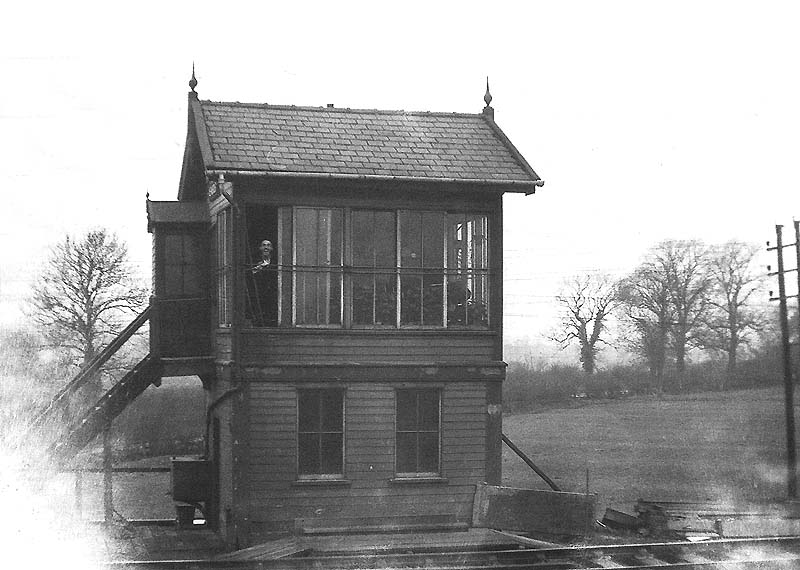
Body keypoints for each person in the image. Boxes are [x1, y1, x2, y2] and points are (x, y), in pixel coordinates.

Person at [246, 239, 278, 326]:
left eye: (268, 245)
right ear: (260, 248)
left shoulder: (277, 261)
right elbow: (249, 274)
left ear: (272, 248)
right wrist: (258, 268)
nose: (266, 247)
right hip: (258, 292)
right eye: (264, 245)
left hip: (272, 292)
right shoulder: (254, 260)